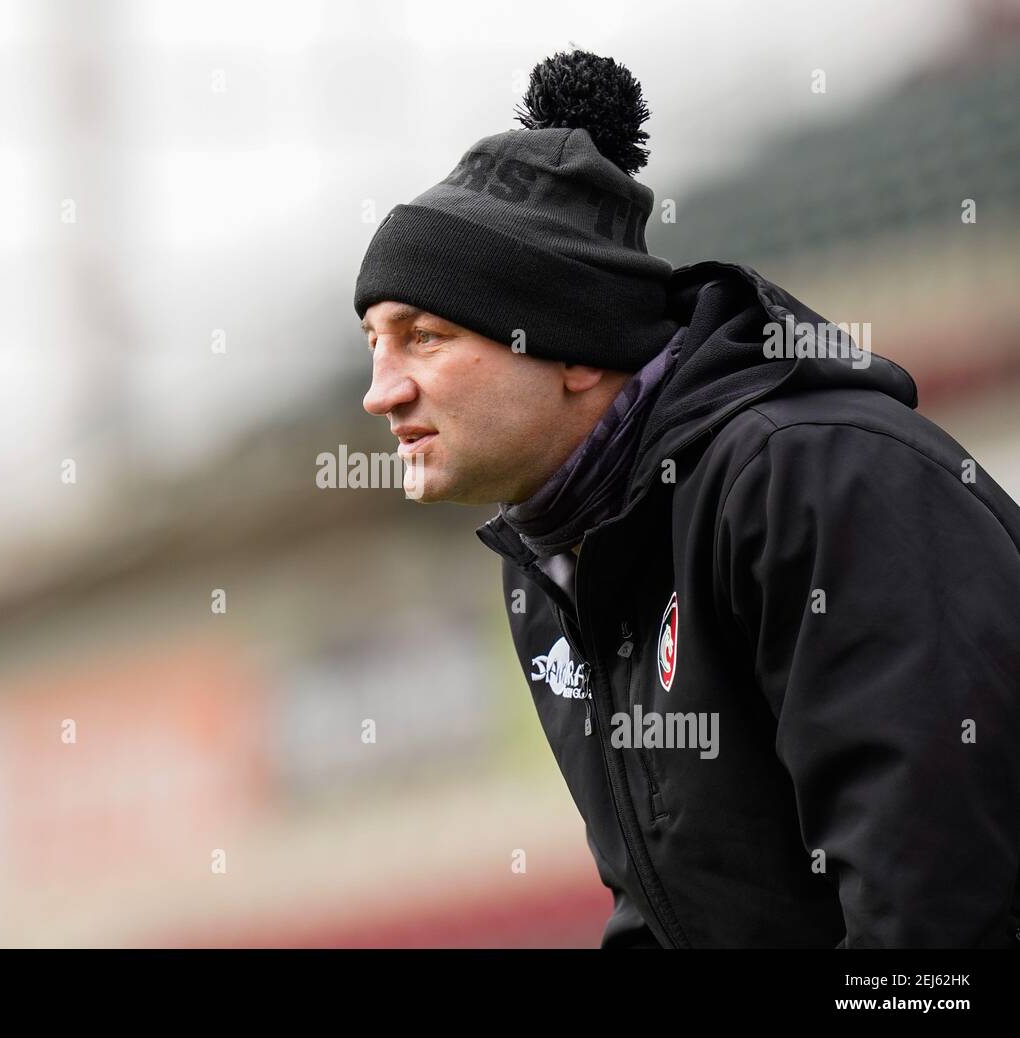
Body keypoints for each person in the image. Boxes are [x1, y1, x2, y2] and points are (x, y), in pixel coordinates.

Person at [352, 48, 1020, 948]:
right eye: (373, 344)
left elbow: (934, 905)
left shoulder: (809, 476)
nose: (381, 392)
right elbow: (667, 912)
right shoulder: (548, 564)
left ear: (575, 350)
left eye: (423, 337)